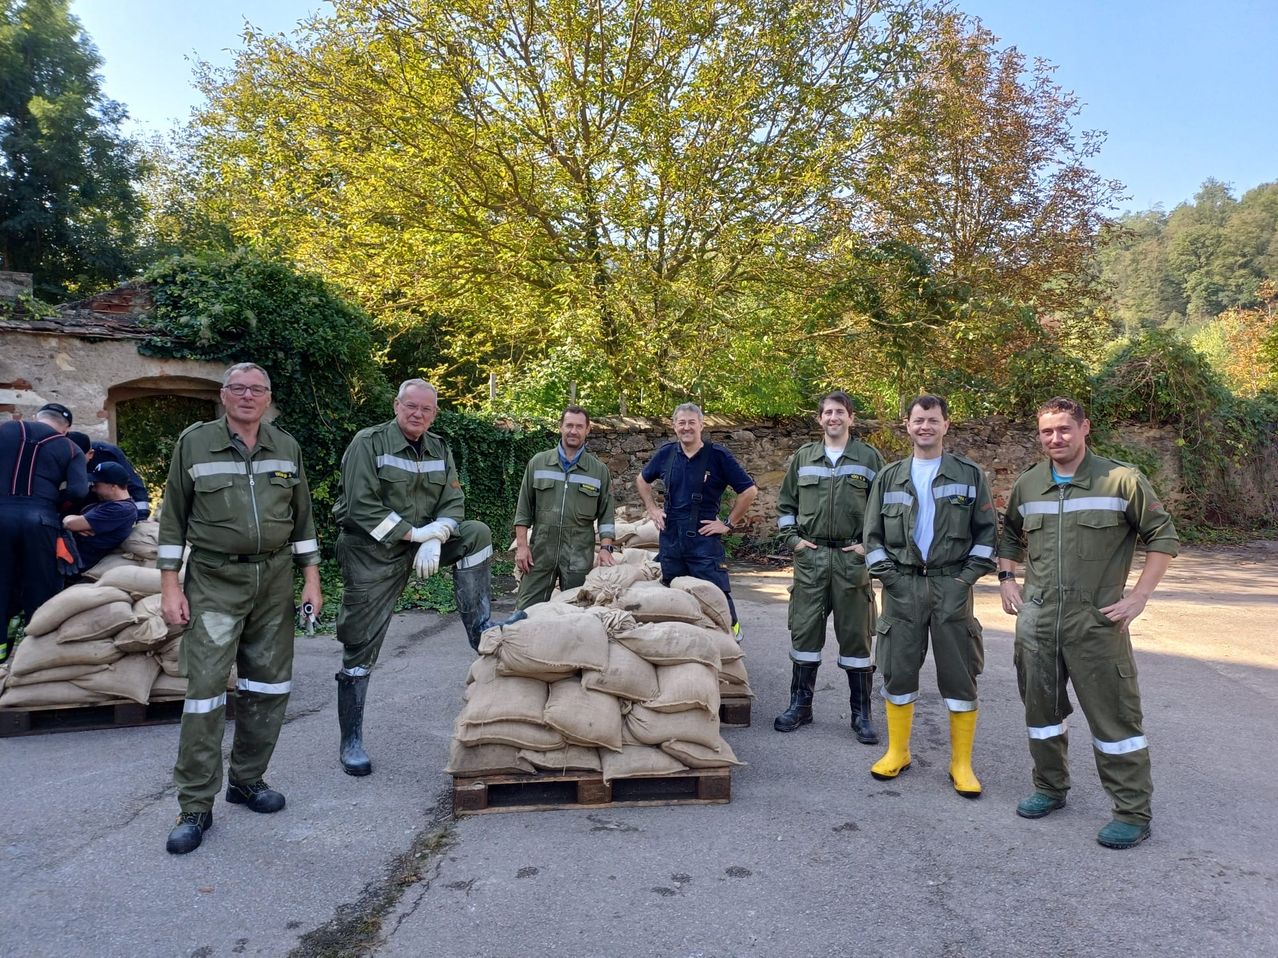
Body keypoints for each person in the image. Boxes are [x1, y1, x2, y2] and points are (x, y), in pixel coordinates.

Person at [998, 396, 1178, 850]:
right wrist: (1005, 577)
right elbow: (1009, 534)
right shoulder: (1029, 484)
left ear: (1084, 429)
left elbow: (1163, 537)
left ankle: (1132, 812)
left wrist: (1138, 596)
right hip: (1037, 620)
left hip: (1095, 622)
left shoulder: (1121, 480)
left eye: (1063, 429)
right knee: (1041, 715)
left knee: (1114, 719)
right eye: (1046, 432)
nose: (1055, 438)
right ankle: (1049, 788)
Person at [157, 362, 323, 855]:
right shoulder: (195, 443)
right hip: (213, 578)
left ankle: (248, 780)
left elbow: (303, 518)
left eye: (258, 390)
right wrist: (170, 585)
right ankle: (195, 804)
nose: (248, 397)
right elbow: (173, 517)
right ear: (224, 395)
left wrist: (311, 578)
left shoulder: (285, 447)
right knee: (206, 690)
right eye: (239, 389)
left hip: (273, 578)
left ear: (268, 398)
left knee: (269, 685)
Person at [330, 378, 499, 777]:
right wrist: (414, 534)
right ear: (396, 405)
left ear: (434, 413)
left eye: (426, 409)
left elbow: (453, 501)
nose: (417, 413)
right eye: (411, 406)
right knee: (360, 641)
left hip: (424, 542)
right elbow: (359, 505)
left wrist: (437, 534)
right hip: (372, 551)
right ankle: (350, 740)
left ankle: (480, 629)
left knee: (476, 533)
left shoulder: (440, 447)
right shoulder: (368, 443)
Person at [862, 394, 996, 795]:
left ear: (945, 425)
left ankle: (961, 764)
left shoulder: (969, 475)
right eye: (918, 420)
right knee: (898, 669)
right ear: (907, 425)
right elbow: (871, 538)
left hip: (951, 585)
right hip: (903, 586)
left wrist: (965, 580)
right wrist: (893, 579)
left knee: (960, 674)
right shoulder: (889, 477)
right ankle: (897, 752)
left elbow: (987, 535)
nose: (925, 427)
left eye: (933, 420)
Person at [773, 391, 884, 741]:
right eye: (827, 413)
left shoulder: (869, 458)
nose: (833, 418)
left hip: (853, 560)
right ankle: (800, 706)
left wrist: (869, 547)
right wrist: (794, 542)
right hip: (812, 557)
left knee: (857, 637)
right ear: (819, 419)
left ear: (851, 418)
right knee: (804, 633)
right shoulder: (804, 457)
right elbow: (786, 505)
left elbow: (884, 506)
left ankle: (861, 714)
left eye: (840, 412)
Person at [635, 403, 757, 635]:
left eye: (692, 422)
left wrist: (727, 524)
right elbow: (642, 480)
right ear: (674, 426)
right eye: (682, 422)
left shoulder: (718, 456)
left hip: (703, 539)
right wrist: (652, 509)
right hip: (671, 539)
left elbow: (749, 491)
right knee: (674, 595)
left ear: (702, 425)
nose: (687, 427)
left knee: (715, 594)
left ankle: (731, 637)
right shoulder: (666, 453)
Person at [0, 408, 87, 659]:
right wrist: (53, 505)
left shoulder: (5, 429)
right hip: (41, 521)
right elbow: (78, 491)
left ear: (37, 417)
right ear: (66, 428)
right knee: (40, 587)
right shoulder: (71, 449)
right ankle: (35, 655)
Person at [513, 405, 616, 609]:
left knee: (577, 611)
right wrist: (522, 547)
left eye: (579, 426)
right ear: (560, 427)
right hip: (541, 551)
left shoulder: (598, 471)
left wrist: (605, 549)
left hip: (579, 553)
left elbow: (606, 515)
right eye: (569, 425)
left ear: (587, 430)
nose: (573, 431)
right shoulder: (539, 463)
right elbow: (523, 509)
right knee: (526, 610)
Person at [62, 461, 139, 571]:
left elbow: (70, 524)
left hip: (73, 563)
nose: (93, 489)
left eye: (97, 484)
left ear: (113, 486)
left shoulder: (121, 509)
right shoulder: (109, 504)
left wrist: (71, 521)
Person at [66, 431, 152, 519]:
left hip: (107, 512)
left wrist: (141, 517)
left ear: (90, 454)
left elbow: (133, 486)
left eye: (78, 460)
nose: (73, 464)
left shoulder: (106, 454)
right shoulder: (56, 455)